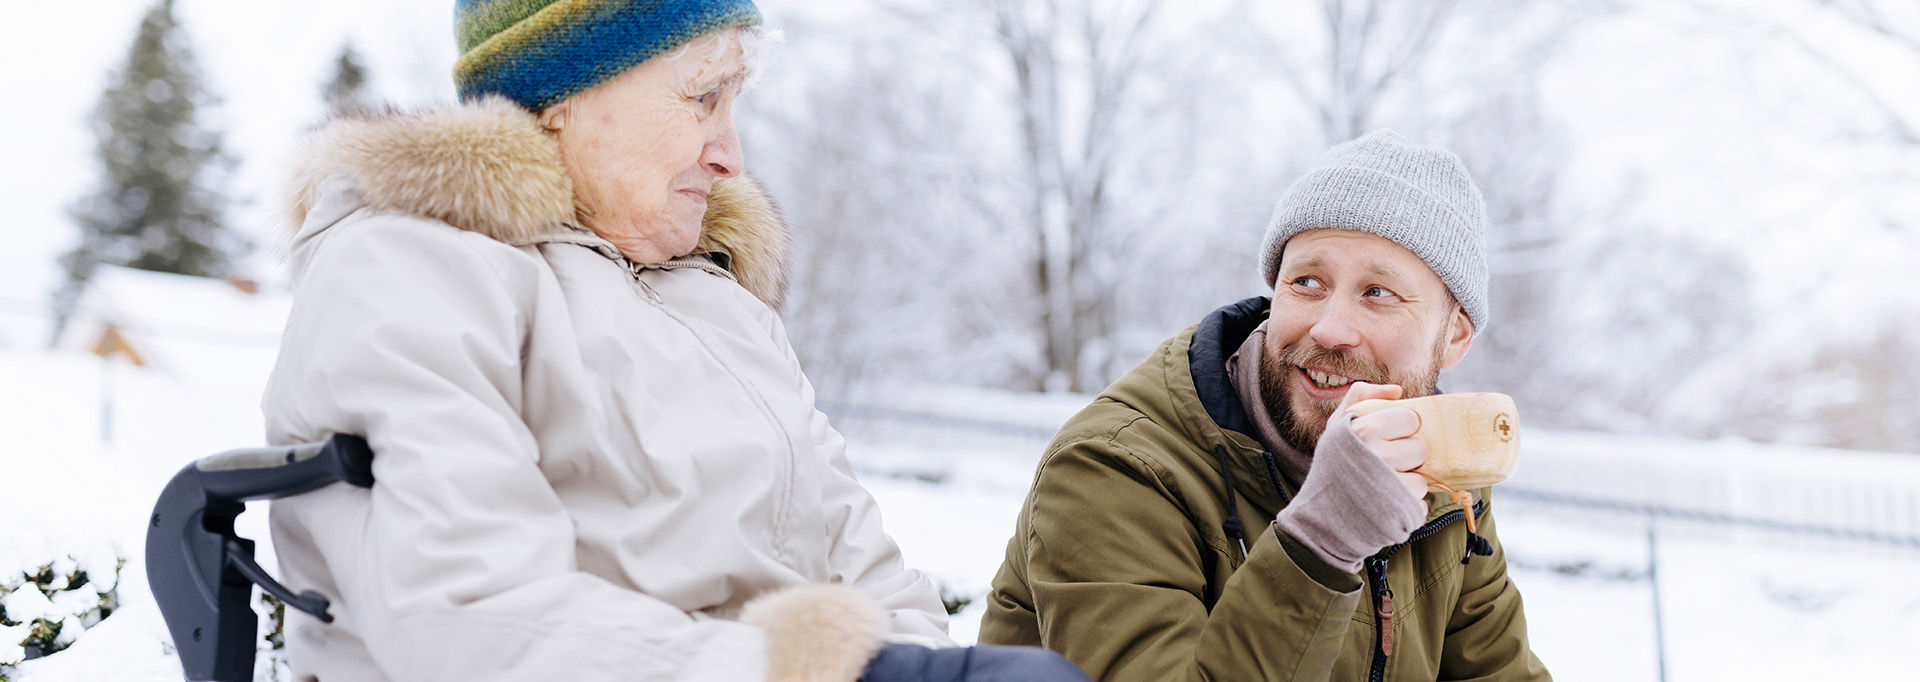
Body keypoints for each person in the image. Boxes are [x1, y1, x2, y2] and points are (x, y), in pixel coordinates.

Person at [263, 2, 1089, 681]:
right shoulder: (412, 265)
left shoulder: (716, 303)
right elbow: (465, 615)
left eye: (737, 107)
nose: (731, 155)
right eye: (704, 99)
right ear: (563, 97)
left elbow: (867, 571)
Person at [977, 131, 1551, 680]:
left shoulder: (1442, 479)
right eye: (1307, 282)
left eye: (1377, 293)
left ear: (1454, 338)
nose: (1330, 329)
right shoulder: (1115, 468)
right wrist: (1320, 543)